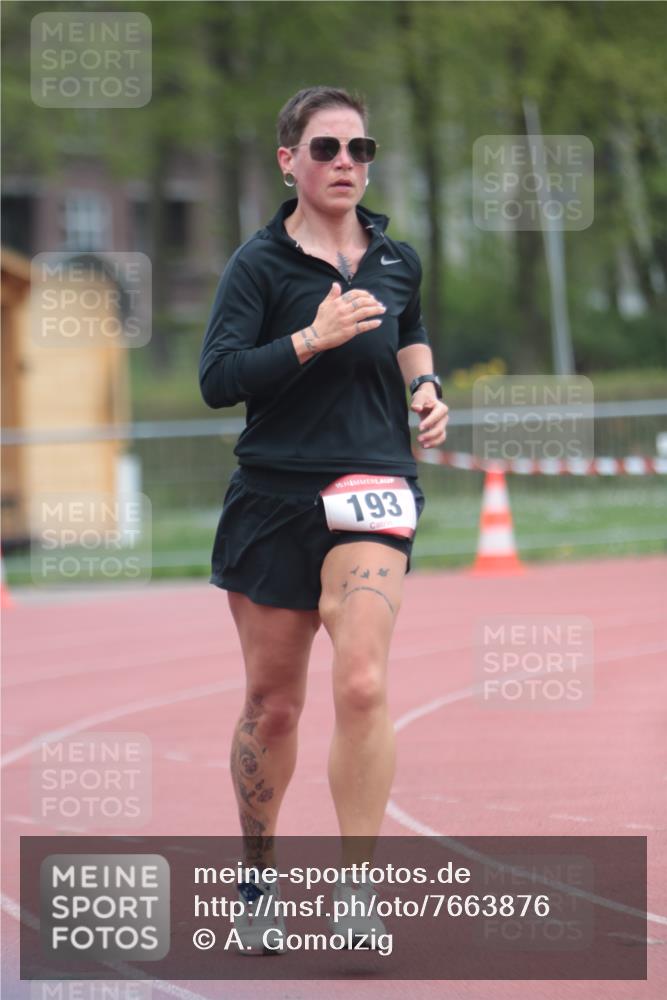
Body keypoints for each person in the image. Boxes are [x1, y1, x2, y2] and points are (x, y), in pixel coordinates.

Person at [199, 85, 448, 953]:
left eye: (359, 149)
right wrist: (312, 336)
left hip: (373, 486)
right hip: (274, 498)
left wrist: (425, 386)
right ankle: (257, 878)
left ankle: (356, 890)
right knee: (273, 706)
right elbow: (217, 379)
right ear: (289, 161)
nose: (346, 162)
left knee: (363, 682)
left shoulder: (396, 258)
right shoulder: (258, 266)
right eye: (326, 148)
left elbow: (408, 326)